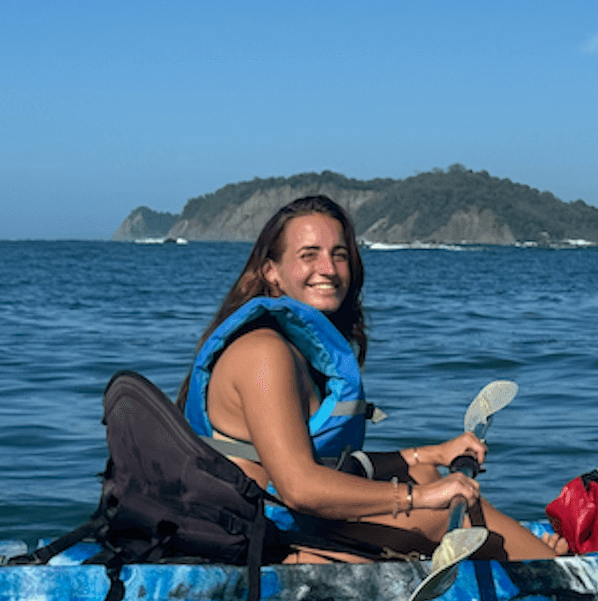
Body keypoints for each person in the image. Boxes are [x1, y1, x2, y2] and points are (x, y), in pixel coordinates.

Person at [177, 194, 560, 562]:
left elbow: (326, 462)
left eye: (338, 255)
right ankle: (560, 579)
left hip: (288, 521)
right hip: (264, 536)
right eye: (308, 255)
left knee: (423, 473)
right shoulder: (265, 352)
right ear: (271, 273)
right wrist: (420, 500)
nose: (327, 269)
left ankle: (520, 559)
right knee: (441, 512)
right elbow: (300, 487)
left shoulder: (295, 349)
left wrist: (429, 455)